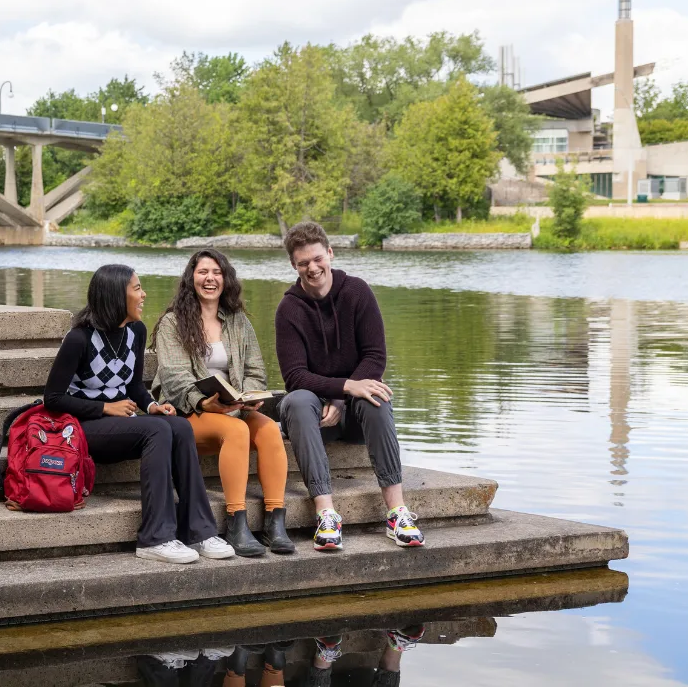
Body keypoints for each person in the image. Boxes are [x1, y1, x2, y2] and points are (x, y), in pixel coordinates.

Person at [43, 264, 234, 565]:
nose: (144, 294)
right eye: (137, 288)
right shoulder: (79, 339)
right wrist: (104, 408)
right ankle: (155, 538)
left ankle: (198, 530)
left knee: (178, 426)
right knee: (157, 430)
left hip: (122, 426)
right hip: (83, 429)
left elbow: (132, 384)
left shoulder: (136, 331)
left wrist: (151, 406)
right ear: (116, 296)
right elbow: (52, 399)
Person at [274, 221, 424, 551]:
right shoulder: (289, 309)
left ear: (330, 253)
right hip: (313, 418)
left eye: (317, 259)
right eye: (303, 263)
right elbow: (295, 377)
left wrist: (344, 395)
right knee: (297, 400)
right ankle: (326, 515)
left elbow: (375, 357)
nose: (312, 268)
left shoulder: (357, 292)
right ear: (293, 265)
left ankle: (397, 513)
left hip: (353, 416)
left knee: (376, 394)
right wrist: (342, 388)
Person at [151, 249, 293, 558]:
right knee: (237, 431)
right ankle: (236, 522)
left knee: (268, 429)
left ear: (226, 279)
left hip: (233, 408)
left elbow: (255, 370)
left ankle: (275, 522)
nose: (210, 278)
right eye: (203, 272)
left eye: (216, 272)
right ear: (191, 278)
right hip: (188, 413)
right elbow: (174, 379)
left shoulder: (238, 321)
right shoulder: (172, 323)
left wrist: (250, 396)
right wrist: (204, 402)